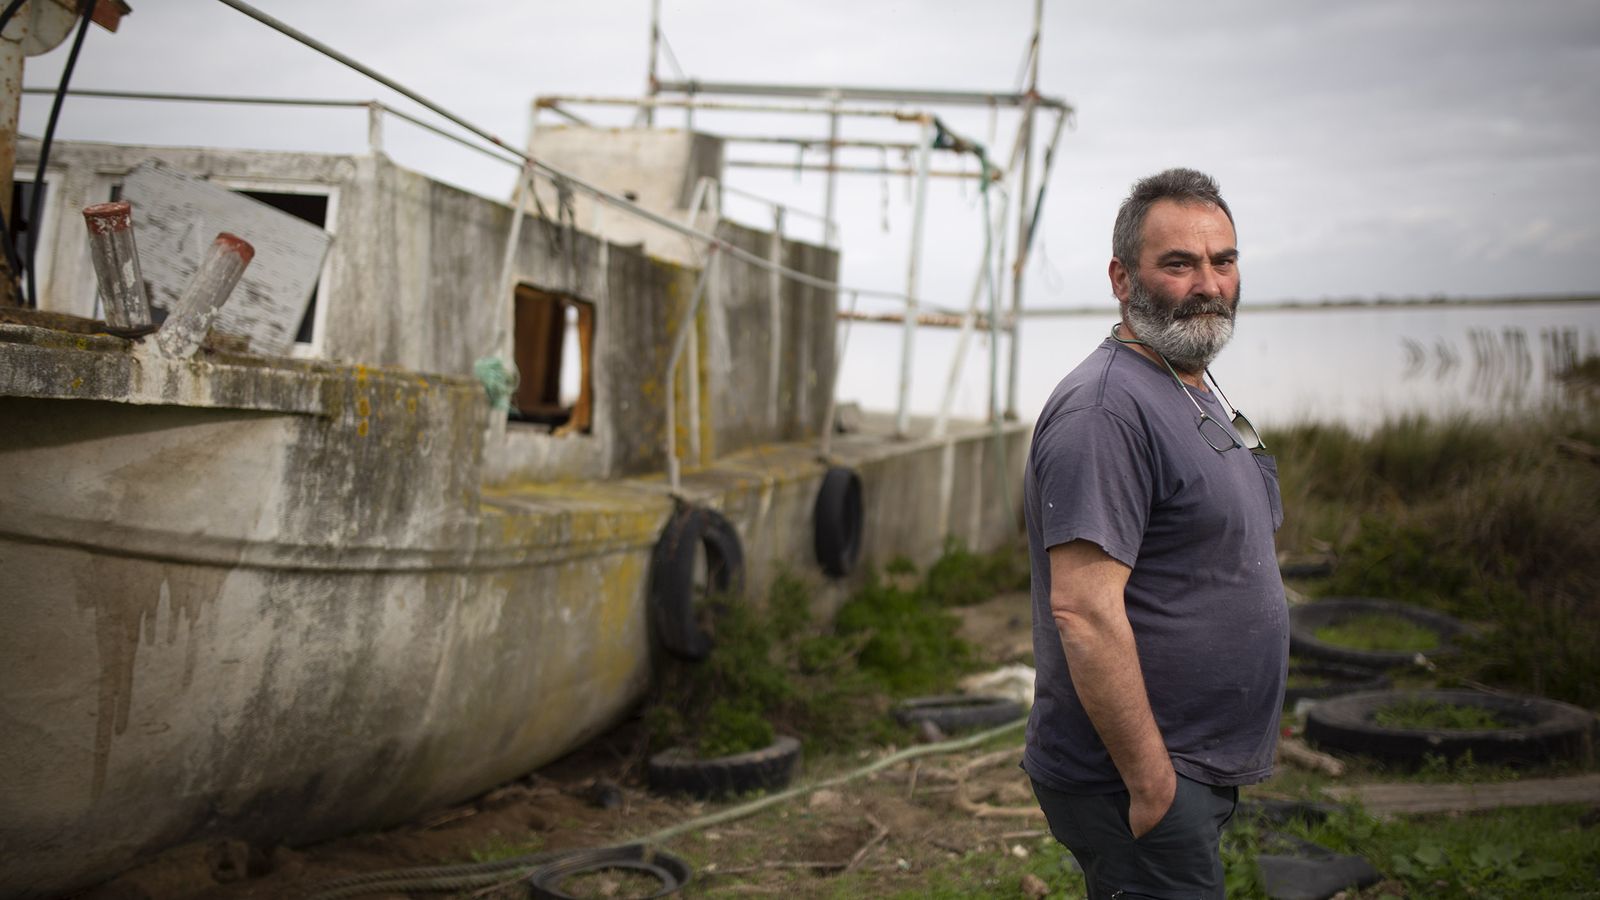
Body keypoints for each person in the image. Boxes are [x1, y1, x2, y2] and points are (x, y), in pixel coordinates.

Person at [1021, 167, 1288, 899]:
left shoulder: (1190, 381)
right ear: (1122, 277)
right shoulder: (1104, 412)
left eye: (1222, 260)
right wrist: (1151, 783)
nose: (1208, 283)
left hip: (1193, 762)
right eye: (1179, 263)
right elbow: (1083, 611)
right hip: (1136, 776)